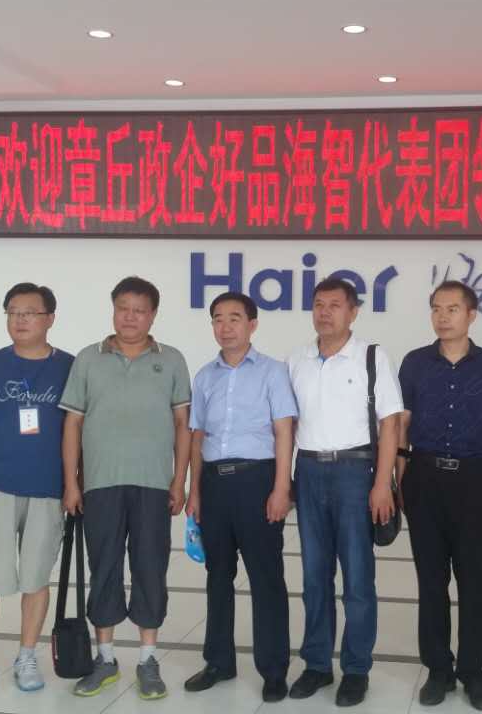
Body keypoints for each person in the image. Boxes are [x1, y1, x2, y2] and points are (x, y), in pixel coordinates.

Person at [60, 276, 193, 701]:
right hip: (100, 483)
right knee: (104, 568)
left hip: (154, 485)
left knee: (150, 568)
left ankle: (148, 661)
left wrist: (179, 479)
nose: (130, 317)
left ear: (153, 315)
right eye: (123, 308)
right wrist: (71, 482)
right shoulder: (89, 358)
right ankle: (105, 658)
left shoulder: (171, 360)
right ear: (113, 309)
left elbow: (183, 425)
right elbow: (73, 423)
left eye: (139, 310)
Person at [0, 283, 75, 702]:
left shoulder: (70, 368)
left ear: (50, 319)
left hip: (48, 490)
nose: (20, 320)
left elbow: (80, 430)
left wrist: (74, 485)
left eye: (30, 312)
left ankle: (26, 657)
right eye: (13, 312)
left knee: (36, 579)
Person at [286, 277, 404, 707]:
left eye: (335, 305)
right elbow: (287, 426)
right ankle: (317, 664)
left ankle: (356, 669)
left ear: (353, 312)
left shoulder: (371, 356)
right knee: (314, 576)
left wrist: (382, 483)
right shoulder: (296, 360)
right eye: (319, 304)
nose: (325, 312)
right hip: (309, 471)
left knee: (357, 577)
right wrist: (286, 481)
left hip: (356, 472)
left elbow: (391, 423)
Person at [396, 281, 482, 711]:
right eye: (436, 309)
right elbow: (402, 425)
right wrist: (401, 478)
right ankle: (438, 670)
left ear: (471, 315)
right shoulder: (415, 363)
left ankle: (473, 673)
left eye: (452, 309)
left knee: (474, 581)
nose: (443, 317)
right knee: (431, 581)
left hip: (472, 481)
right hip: (423, 478)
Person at [184, 292, 296, 702]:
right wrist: (195, 491)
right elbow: (197, 437)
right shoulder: (205, 376)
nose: (225, 326)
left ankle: (273, 669)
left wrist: (281, 488)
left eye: (234, 318)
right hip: (215, 484)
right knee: (218, 575)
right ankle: (219, 661)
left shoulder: (273, 372)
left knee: (266, 578)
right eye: (218, 318)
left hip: (257, 481)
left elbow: (284, 432)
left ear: (253, 324)